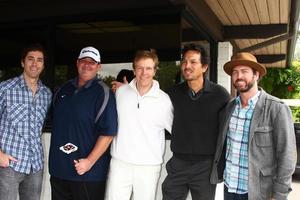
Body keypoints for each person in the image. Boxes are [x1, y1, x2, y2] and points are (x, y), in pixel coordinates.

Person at [210, 52, 297, 200]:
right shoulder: (228, 109)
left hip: (260, 192)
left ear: (256, 75)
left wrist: (279, 194)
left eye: (244, 71)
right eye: (235, 72)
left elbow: (287, 156)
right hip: (230, 188)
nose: (239, 76)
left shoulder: (276, 109)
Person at [162, 43, 230, 200]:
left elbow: (228, 129)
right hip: (177, 164)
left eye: (193, 62)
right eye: (184, 62)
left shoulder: (220, 95)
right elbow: (150, 105)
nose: (187, 66)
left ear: (204, 67)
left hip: (205, 167)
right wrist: (128, 90)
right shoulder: (172, 93)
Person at [49, 46, 118, 200]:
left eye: (92, 62)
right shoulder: (62, 90)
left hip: (87, 174)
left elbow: (108, 133)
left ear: (98, 66)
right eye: (84, 61)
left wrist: (89, 161)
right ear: (77, 63)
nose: (87, 65)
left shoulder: (104, 93)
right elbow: (58, 122)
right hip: (59, 170)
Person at [105, 50, 173, 200]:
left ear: (155, 70)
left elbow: (176, 130)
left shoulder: (164, 100)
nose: (144, 73)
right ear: (134, 70)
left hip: (148, 167)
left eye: (148, 68)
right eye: (140, 68)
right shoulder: (120, 93)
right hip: (119, 164)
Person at [0, 43, 52, 200]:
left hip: (35, 163)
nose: (34, 64)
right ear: (23, 62)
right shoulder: (5, 89)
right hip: (9, 163)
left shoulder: (46, 94)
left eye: (39, 60)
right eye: (30, 59)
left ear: (43, 65)